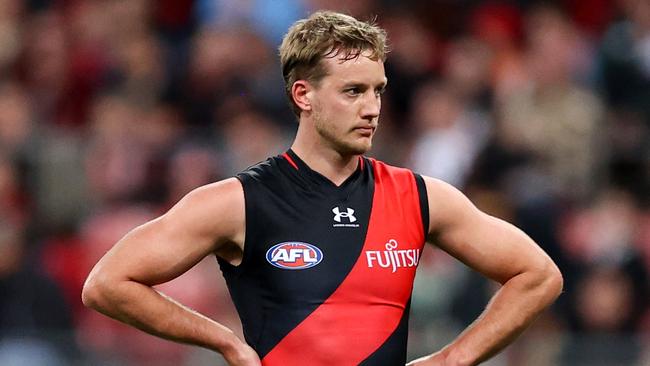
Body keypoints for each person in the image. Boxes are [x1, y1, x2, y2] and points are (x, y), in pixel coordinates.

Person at [82, 11, 563, 366]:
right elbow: (107, 284)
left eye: (377, 89)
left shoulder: (419, 196)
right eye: (353, 91)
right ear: (303, 95)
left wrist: (454, 358)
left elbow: (538, 275)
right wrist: (222, 339)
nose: (372, 107)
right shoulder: (238, 201)